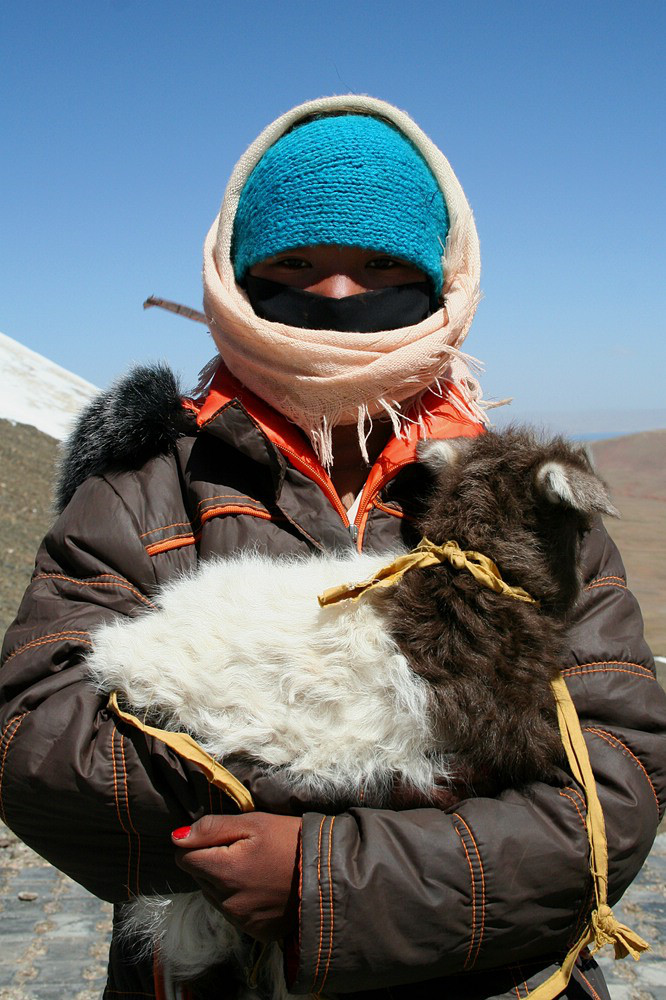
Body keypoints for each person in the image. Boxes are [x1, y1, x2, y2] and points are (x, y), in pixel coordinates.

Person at [1, 95, 664, 1000]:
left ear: (438, 278)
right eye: (295, 264)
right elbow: (35, 741)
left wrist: (318, 875)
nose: (339, 295)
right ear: (240, 276)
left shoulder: (527, 508)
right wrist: (433, 768)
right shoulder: (141, 489)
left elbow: (618, 782)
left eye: (381, 264)